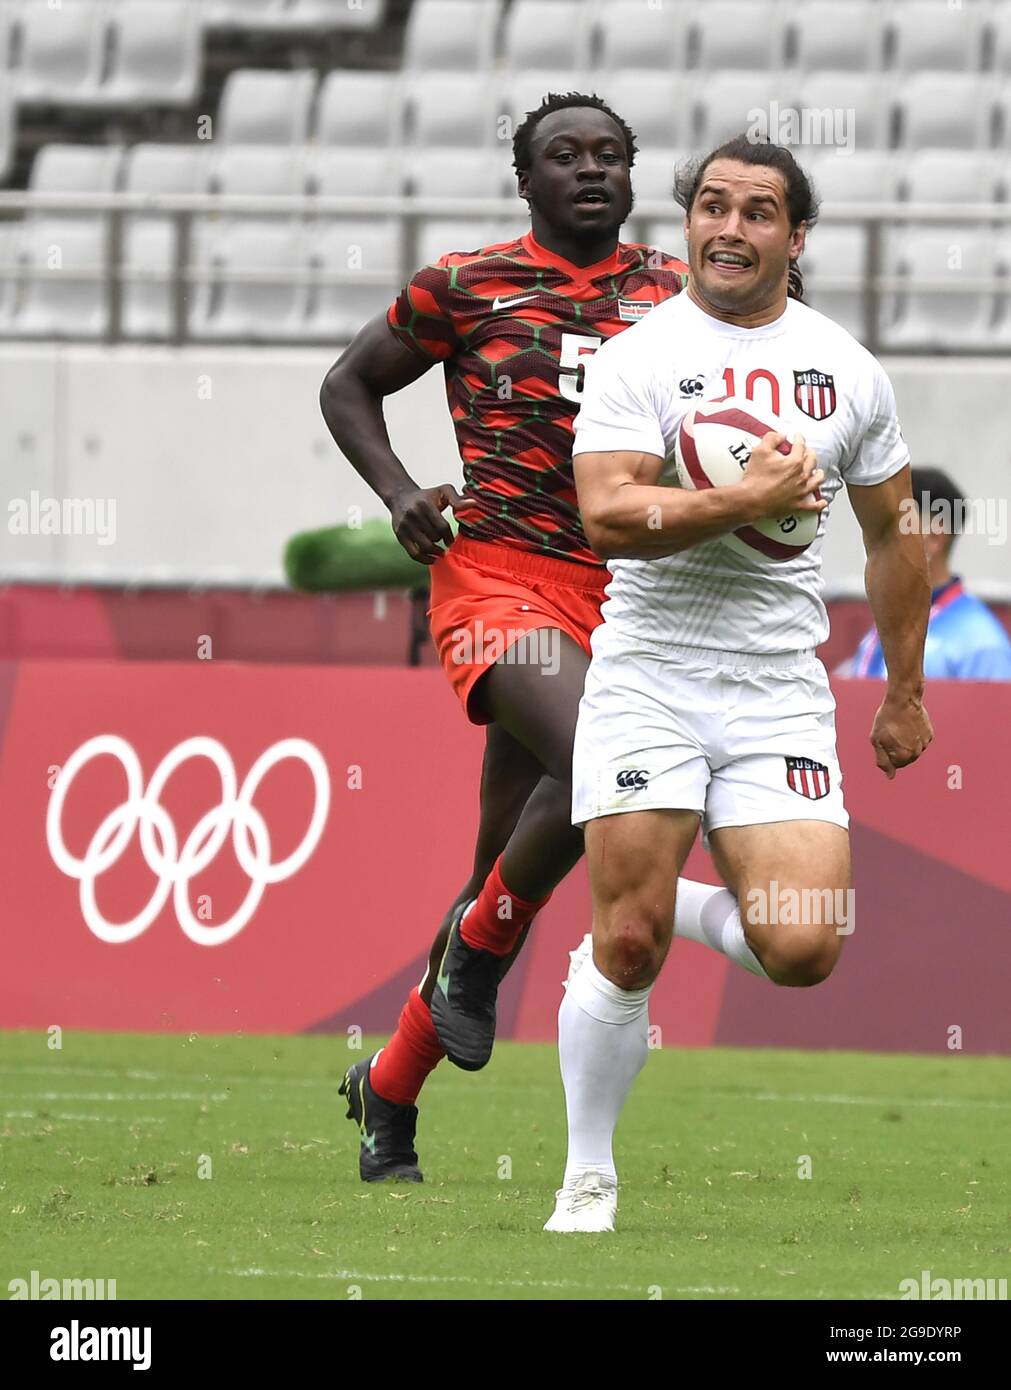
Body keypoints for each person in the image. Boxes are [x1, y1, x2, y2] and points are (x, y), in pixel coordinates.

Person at [319, 95, 770, 1185]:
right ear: (525, 181)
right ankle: (468, 967)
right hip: (500, 581)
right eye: (564, 157)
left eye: (611, 156)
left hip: (625, 591)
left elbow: (758, 377)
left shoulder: (674, 292)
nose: (591, 171)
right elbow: (347, 384)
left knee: (493, 884)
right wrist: (396, 495)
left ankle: (387, 1086)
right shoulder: (464, 285)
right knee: (605, 763)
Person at [546, 135, 934, 1233]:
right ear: (688, 224)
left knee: (804, 945)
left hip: (776, 686)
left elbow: (895, 530)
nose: (729, 228)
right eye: (711, 206)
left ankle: (670, 900)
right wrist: (742, 498)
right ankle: (587, 1176)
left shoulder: (846, 369)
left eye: (758, 212)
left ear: (795, 237)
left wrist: (904, 689)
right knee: (625, 943)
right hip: (650, 671)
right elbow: (608, 516)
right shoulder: (638, 355)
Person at [842, 466, 1011, 680]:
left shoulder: (982, 645)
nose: (873, 540)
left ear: (934, 538)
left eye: (891, 527)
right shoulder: (883, 627)